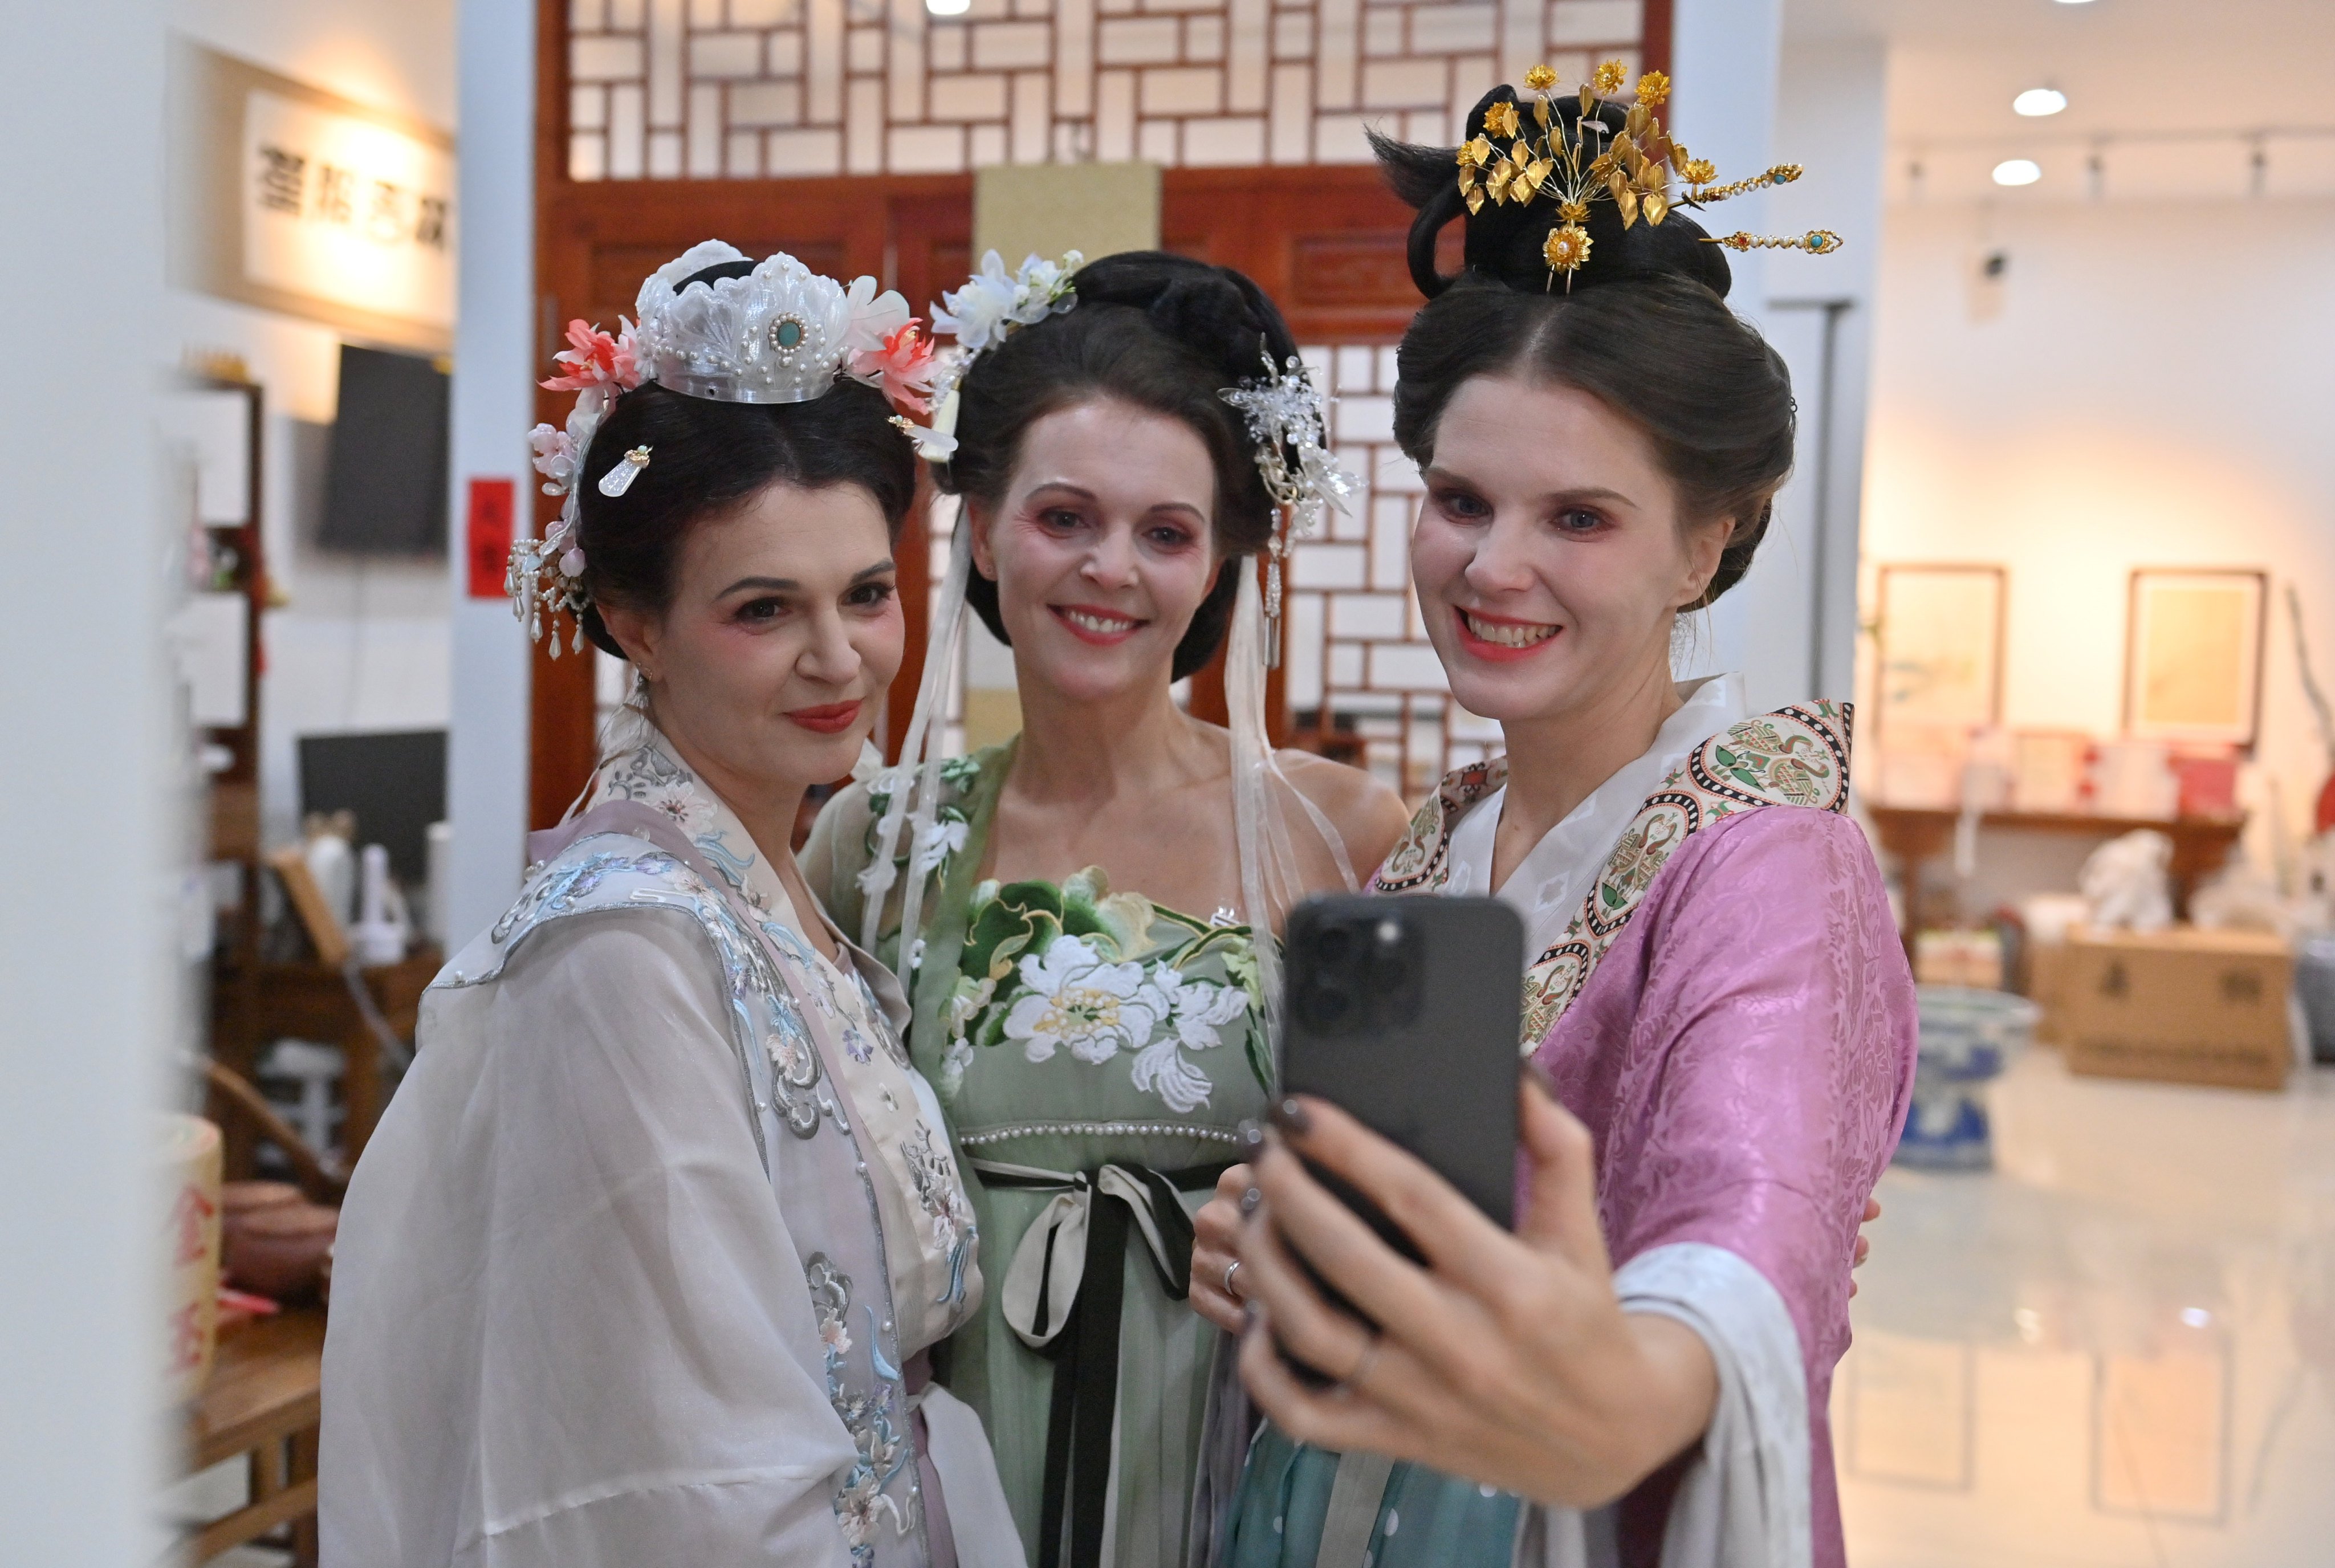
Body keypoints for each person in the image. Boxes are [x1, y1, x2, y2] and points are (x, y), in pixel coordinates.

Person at [1185, 63, 1917, 1568]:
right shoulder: (1437, 840)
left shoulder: (1773, 859)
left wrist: (1639, 1380)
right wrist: (1291, 1245)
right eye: (1461, 499)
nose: (1492, 567)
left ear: (1706, 542)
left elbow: (1750, 1211)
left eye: (1578, 518)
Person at [320, 243, 1023, 1568]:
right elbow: (682, 1471)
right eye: (764, 608)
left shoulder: (768, 888)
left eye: (866, 594)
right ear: (636, 623)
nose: (839, 658)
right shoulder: (625, 943)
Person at [807, 250, 1410, 1568]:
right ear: (979, 527)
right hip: (951, 1444)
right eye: (1064, 516)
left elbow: (1411, 1195)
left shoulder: (1338, 834)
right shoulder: (877, 843)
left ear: (1218, 565)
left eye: (1165, 531)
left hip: (1231, 1438)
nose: (1110, 570)